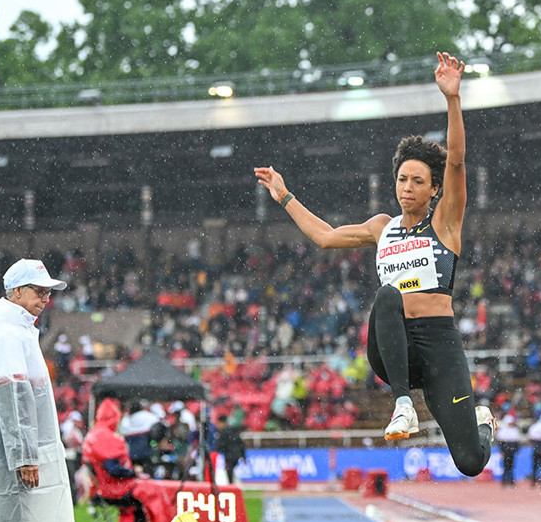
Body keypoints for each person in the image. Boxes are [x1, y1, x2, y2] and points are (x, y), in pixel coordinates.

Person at [254, 52, 495, 477]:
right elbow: (326, 236)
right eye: (402, 179)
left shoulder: (445, 223)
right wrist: (285, 196)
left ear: (434, 188)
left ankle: (483, 422)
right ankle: (403, 405)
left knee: (471, 462)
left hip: (439, 346)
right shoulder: (380, 227)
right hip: (394, 348)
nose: (407, 188)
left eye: (418, 181)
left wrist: (452, 100)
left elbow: (456, 160)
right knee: (387, 294)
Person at [0, 259, 78, 522]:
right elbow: (13, 397)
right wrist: (25, 457)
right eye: (39, 291)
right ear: (16, 291)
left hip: (25, 454)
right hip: (18, 459)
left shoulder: (17, 330)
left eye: (48, 292)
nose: (46, 298)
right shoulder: (8, 333)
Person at [82, 398, 174, 522]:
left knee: (148, 491)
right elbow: (113, 470)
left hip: (105, 488)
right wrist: (133, 472)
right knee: (155, 491)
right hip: (116, 489)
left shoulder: (94, 435)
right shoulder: (105, 437)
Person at [215, 414, 245, 484]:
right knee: (231, 470)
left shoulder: (223, 432)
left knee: (229, 471)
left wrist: (218, 449)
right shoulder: (233, 430)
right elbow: (241, 443)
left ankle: (231, 484)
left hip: (229, 455)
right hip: (236, 454)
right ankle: (233, 483)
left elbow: (221, 445)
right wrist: (243, 455)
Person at [495, 414, 522, 487]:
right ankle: (504, 481)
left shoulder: (514, 430)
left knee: (511, 466)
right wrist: (501, 451)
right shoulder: (503, 431)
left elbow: (516, 442)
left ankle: (511, 481)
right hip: (506, 449)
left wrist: (517, 450)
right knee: (505, 466)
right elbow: (501, 443)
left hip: (511, 450)